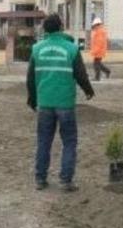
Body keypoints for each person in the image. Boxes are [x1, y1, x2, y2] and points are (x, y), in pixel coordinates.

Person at [27, 13, 95, 192]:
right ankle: (66, 180)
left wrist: (33, 99)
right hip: (65, 103)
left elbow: (30, 78)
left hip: (45, 103)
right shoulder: (71, 49)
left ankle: (40, 179)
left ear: (44, 29)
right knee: (69, 142)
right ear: (61, 26)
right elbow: (80, 74)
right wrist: (88, 90)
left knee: (43, 141)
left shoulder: (36, 49)